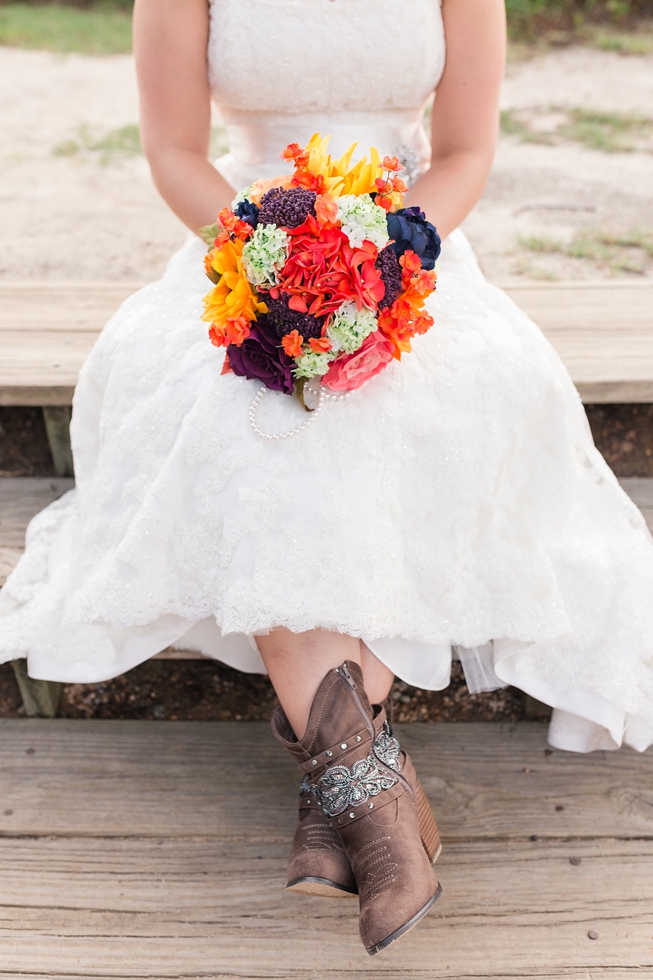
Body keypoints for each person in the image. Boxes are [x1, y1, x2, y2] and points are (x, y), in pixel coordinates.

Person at [2, 0, 653, 955]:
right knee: (249, 406)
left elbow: (466, 150)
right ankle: (378, 808)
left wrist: (380, 262)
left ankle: (337, 788)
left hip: (409, 251)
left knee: (419, 397)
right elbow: (176, 150)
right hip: (241, 251)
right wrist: (270, 263)